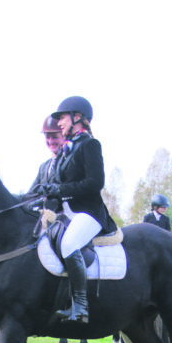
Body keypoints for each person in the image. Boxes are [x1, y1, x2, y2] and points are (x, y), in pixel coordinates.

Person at [35, 96, 117, 323]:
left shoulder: (90, 145)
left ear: (77, 117)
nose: (59, 123)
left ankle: (80, 307)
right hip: (66, 215)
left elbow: (94, 183)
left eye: (62, 118)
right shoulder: (65, 151)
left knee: (69, 244)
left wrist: (59, 189)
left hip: (88, 213)